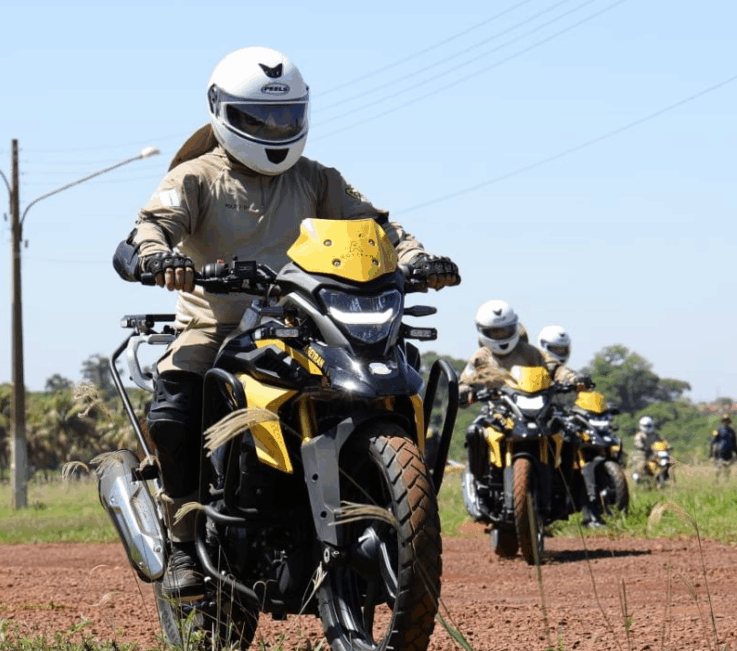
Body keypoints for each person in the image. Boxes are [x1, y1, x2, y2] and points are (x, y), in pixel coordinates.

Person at [112, 47, 460, 600]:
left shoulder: (319, 180)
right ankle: (181, 540)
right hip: (220, 327)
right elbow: (149, 229)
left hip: (308, 323)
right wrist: (159, 258)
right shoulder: (195, 177)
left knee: (395, 372)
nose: (275, 129)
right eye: (259, 119)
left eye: (286, 117)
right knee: (176, 401)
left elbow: (378, 228)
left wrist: (417, 258)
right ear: (220, 111)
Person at [458, 304, 584, 506]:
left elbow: (555, 368)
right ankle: (479, 483)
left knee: (569, 435)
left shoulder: (531, 352)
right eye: (494, 331)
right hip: (497, 412)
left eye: (505, 330)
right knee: (474, 432)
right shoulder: (480, 357)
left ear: (515, 327)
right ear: (483, 331)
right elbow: (465, 381)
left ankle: (564, 489)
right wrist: (465, 392)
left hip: (536, 409)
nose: (501, 335)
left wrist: (573, 378)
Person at [536, 325, 604, 527]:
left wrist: (576, 380)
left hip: (551, 416)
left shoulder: (554, 366)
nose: (559, 354)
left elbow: (563, 372)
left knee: (572, 439)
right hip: (526, 415)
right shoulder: (530, 360)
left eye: (563, 350)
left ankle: (561, 495)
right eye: (555, 349)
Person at [709, 414, 737, 480]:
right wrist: (711, 454)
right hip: (720, 451)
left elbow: (735, 444)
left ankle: (726, 481)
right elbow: (712, 441)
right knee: (719, 466)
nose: (726, 422)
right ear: (722, 421)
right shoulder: (718, 430)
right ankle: (716, 479)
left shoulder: (732, 431)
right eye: (724, 421)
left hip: (729, 452)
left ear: (729, 422)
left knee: (728, 467)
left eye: (727, 421)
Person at [633, 415, 665, 481]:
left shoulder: (655, 435)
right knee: (642, 465)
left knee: (665, 461)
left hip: (654, 452)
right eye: (646, 426)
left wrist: (667, 446)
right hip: (642, 453)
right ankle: (643, 478)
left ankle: (663, 477)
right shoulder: (639, 435)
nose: (647, 428)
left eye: (649, 426)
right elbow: (637, 442)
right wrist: (642, 447)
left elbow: (662, 441)